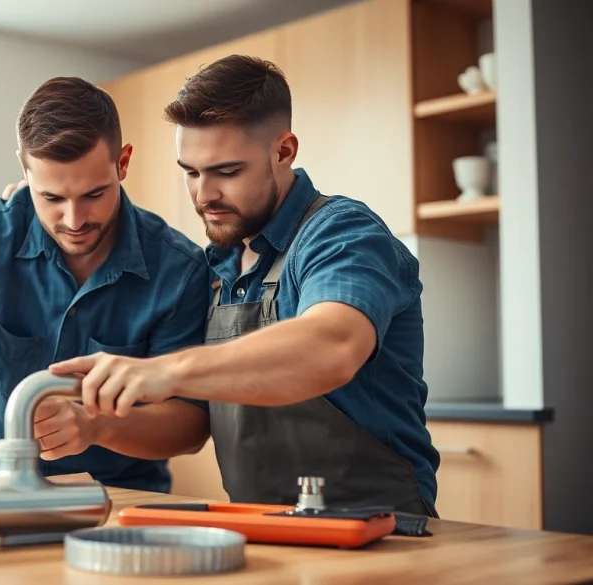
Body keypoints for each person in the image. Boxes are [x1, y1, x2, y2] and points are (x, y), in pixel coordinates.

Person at [44, 55, 442, 516]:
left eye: (226, 172)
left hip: (382, 534)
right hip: (264, 531)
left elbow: (333, 343)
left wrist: (169, 369)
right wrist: (95, 426)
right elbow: (192, 424)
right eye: (190, 172)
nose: (203, 194)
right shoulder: (215, 269)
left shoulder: (342, 234)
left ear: (284, 151)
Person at [0, 76, 212, 494]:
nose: (74, 220)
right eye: (50, 198)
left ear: (122, 163)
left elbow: (189, 426)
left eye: (94, 194)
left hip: (119, 494)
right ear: (24, 170)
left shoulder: (180, 269)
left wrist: (96, 425)